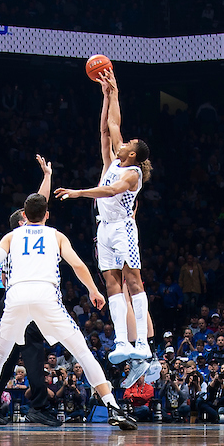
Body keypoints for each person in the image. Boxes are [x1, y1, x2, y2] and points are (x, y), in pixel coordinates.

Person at [0, 161, 136, 431]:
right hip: (45, 295)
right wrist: (94, 290)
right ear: (46, 215)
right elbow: (77, 265)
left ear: (25, 215)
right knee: (82, 352)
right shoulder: (56, 235)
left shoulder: (12, 236)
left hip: (16, 296)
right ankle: (113, 406)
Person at [54, 69, 153, 366]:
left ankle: (143, 343)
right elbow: (111, 124)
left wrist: (78, 192)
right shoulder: (114, 160)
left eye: (128, 144)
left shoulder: (132, 173)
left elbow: (110, 192)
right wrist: (112, 93)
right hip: (105, 230)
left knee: (133, 281)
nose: (123, 142)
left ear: (133, 155)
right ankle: (122, 340)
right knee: (111, 283)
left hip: (124, 229)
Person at [0, 199, 54, 426]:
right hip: (23, 300)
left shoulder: (14, 243)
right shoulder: (18, 243)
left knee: (8, 359)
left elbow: (39, 201)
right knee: (33, 353)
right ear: (22, 222)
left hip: (12, 301)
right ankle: (39, 407)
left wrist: (46, 177)